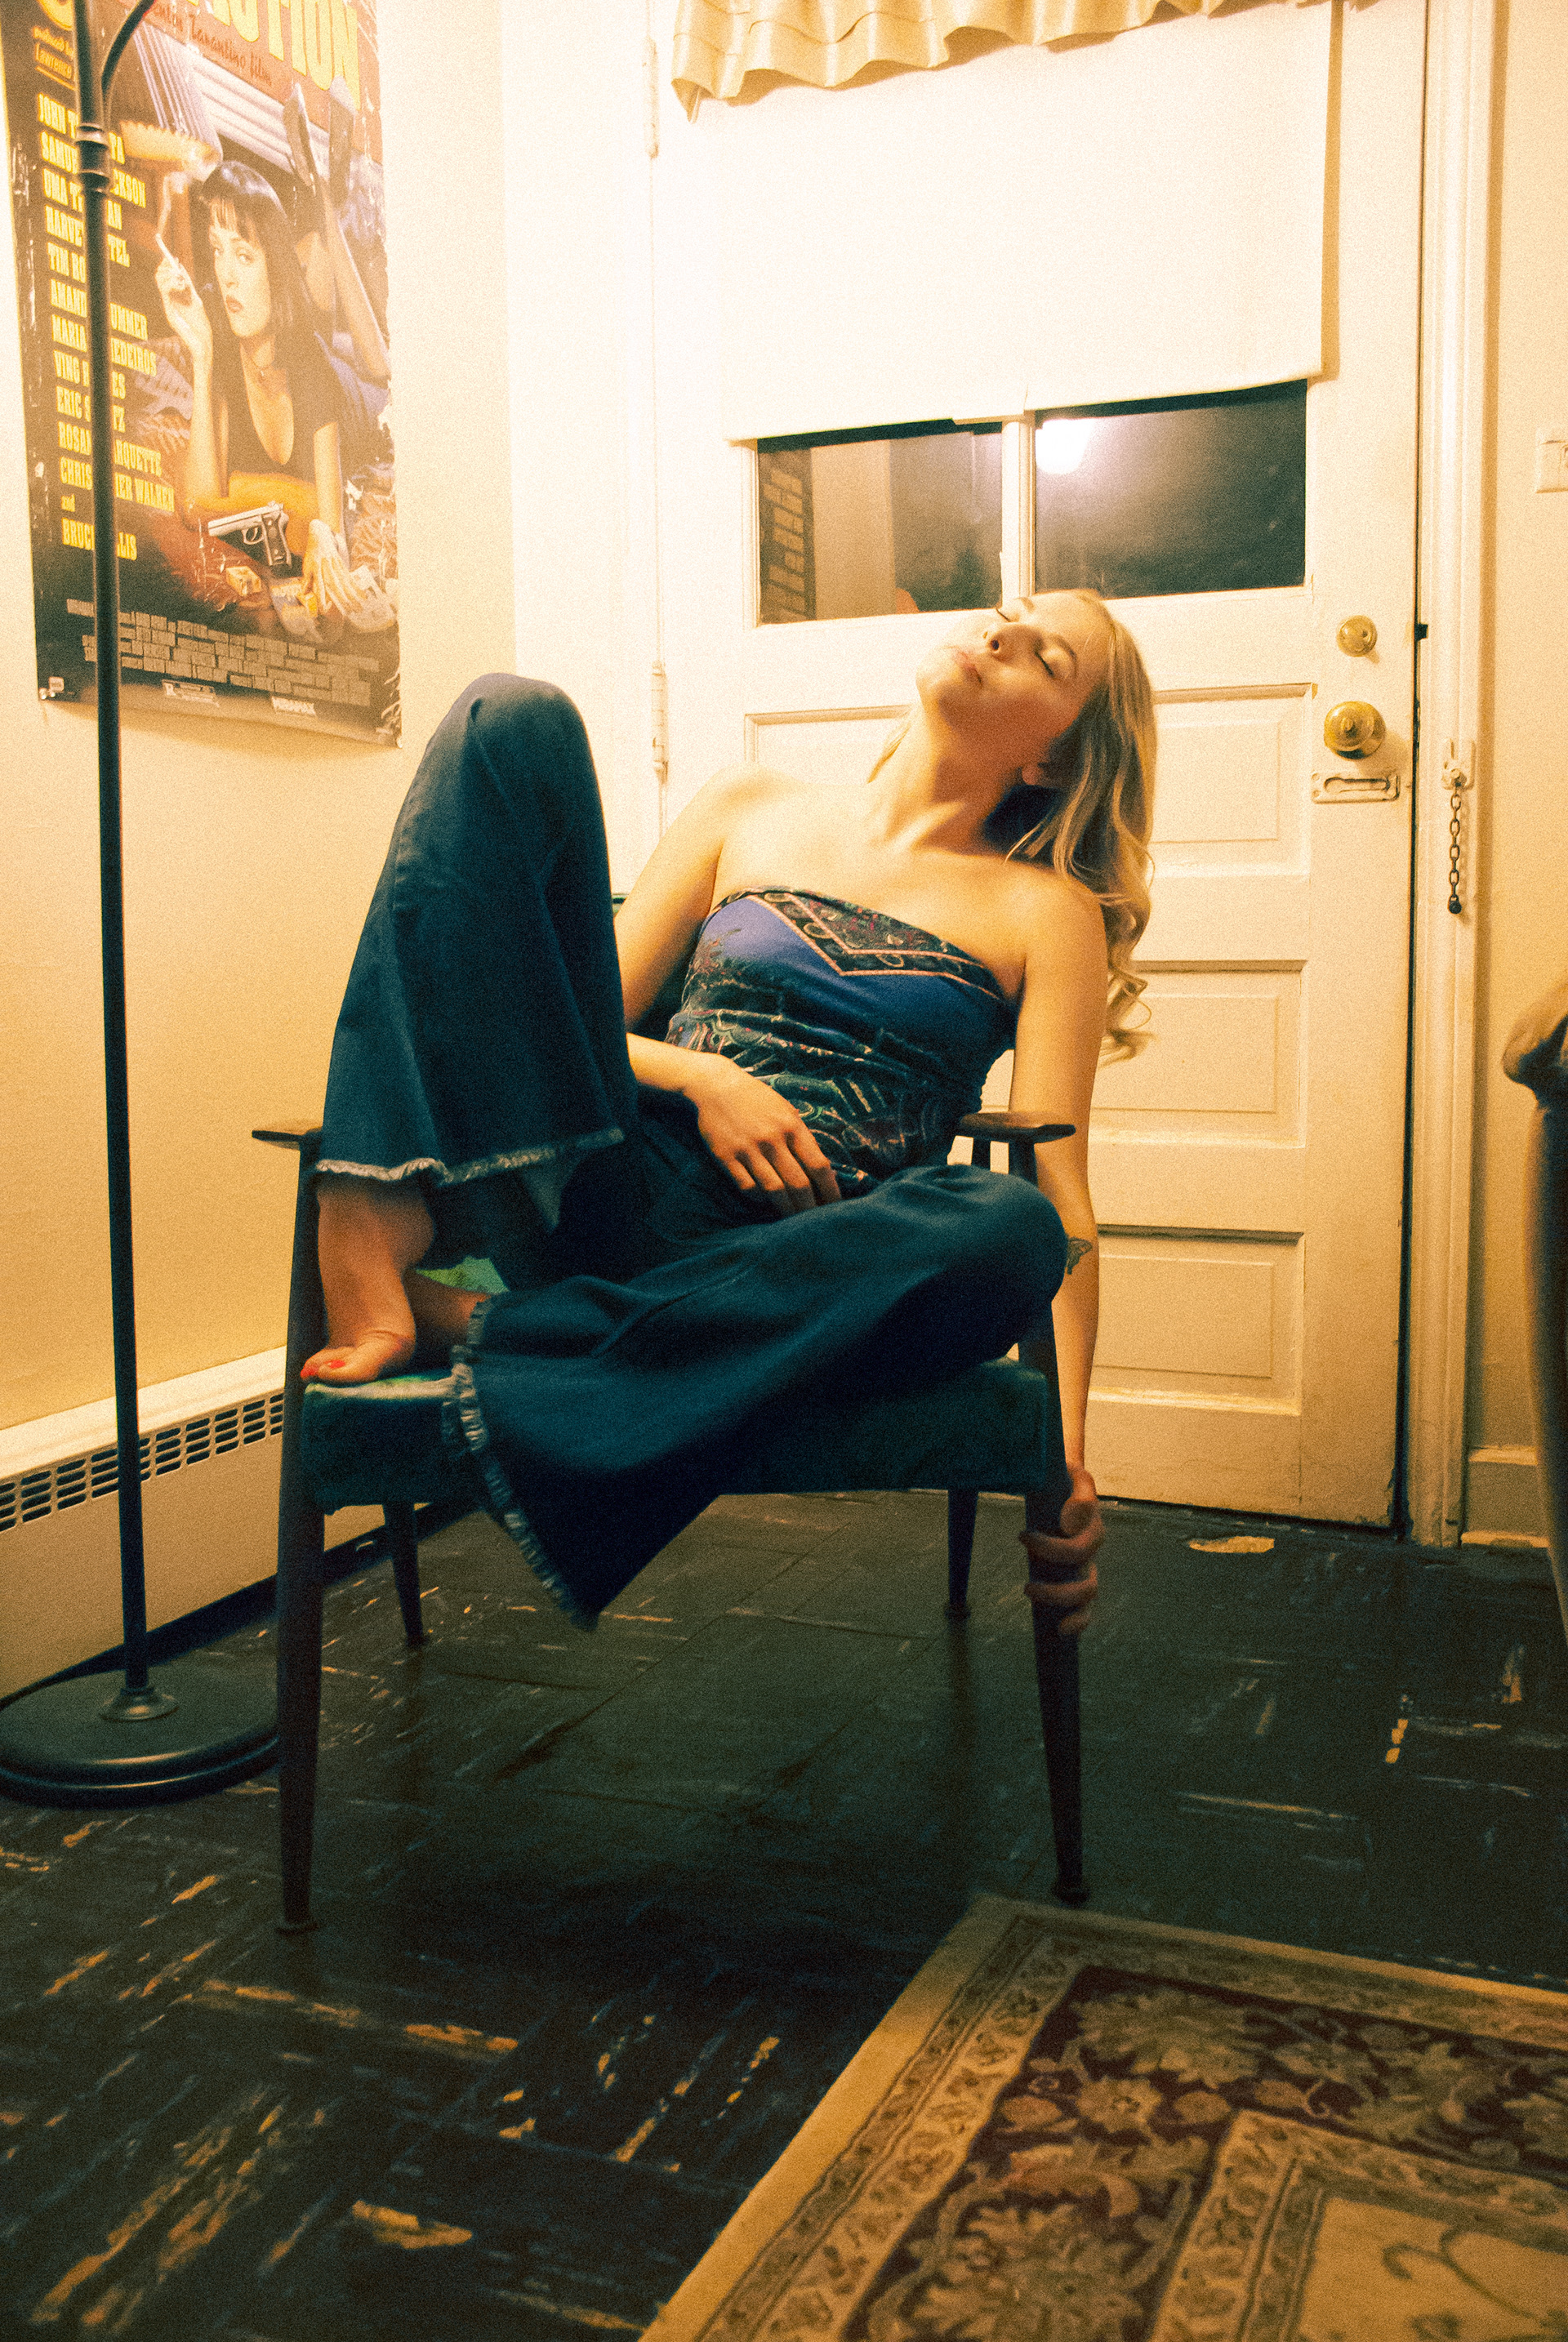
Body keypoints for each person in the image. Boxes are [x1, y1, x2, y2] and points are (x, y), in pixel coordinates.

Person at [301, 591, 1156, 1632]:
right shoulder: (750, 803)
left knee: (1013, 1224)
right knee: (508, 715)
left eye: (1047, 658)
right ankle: (365, 1216)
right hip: (630, 1194)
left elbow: (1060, 1187)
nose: (1001, 633)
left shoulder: (1048, 911)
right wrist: (706, 1081)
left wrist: (1067, 1456)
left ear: (1055, 761)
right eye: (1006, 615)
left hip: (827, 1257)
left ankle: (495, 1329)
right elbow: (582, 1036)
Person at [154, 161, 361, 617]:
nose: (226, 275)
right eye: (217, 251)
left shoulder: (314, 369)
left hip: (360, 398)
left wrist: (320, 531)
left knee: (368, 372)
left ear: (276, 269)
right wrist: (202, 354)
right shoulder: (224, 355)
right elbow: (198, 507)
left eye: (244, 256)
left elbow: (334, 534)